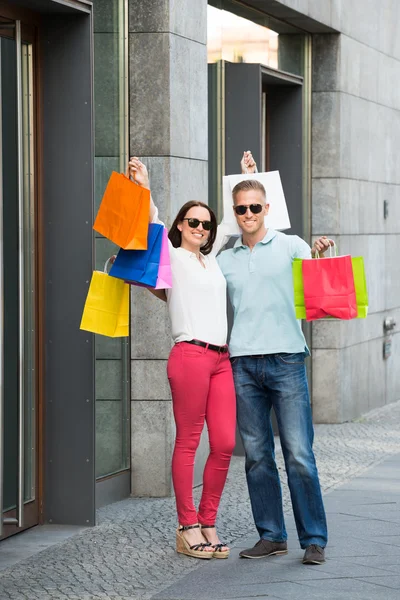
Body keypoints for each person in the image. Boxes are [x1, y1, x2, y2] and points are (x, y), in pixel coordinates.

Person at [216, 151, 330, 565]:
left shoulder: (290, 245)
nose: (248, 213)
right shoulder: (224, 259)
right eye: (241, 208)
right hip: (243, 363)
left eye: (254, 207)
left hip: (286, 360)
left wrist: (319, 253)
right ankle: (271, 535)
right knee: (258, 456)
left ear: (267, 209)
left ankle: (314, 538)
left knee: (299, 453)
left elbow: (319, 282)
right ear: (235, 212)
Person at [127, 157, 236, 560]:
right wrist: (144, 185)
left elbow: (228, 222)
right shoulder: (172, 255)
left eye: (205, 225)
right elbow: (151, 221)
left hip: (222, 360)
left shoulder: (211, 260)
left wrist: (247, 177)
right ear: (180, 226)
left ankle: (209, 521)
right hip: (189, 355)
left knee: (224, 442)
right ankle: (187, 525)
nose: (201, 228)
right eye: (193, 222)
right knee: (190, 441)